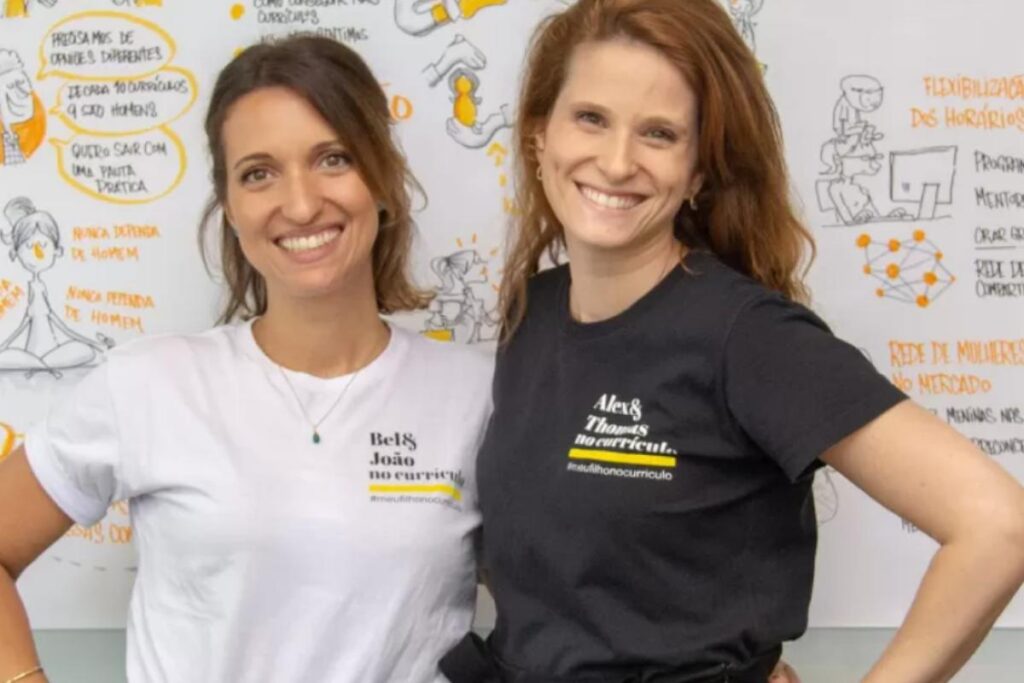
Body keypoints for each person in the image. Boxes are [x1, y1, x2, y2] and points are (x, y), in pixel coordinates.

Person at [441, 1, 1024, 681]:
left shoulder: (747, 337)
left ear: (698, 172)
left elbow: (997, 524)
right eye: (592, 118)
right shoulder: (533, 313)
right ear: (540, 136)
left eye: (659, 133)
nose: (618, 161)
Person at [0, 36, 492, 682]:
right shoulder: (148, 384)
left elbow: (564, 599)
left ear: (382, 179)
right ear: (230, 207)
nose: (301, 203)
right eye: (259, 173)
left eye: (334, 159)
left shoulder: (479, 395)